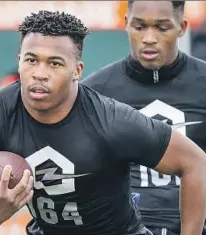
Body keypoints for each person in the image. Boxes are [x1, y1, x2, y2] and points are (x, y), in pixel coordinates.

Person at [0, 10, 206, 235]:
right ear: (19, 61)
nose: (40, 73)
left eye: (55, 63)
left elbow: (195, 162)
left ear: (77, 70)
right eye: (31, 60)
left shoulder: (112, 121)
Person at [82, 1, 206, 235]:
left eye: (162, 28)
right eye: (140, 27)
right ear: (127, 24)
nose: (149, 38)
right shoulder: (95, 92)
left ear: (182, 27)